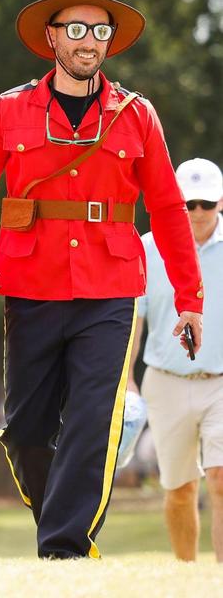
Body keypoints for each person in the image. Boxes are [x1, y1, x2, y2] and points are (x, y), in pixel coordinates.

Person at [0, 0, 203, 559]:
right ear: (52, 37)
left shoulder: (137, 114)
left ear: (109, 42)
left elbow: (168, 209)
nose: (89, 41)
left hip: (111, 292)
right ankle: (59, 519)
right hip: (30, 287)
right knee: (25, 429)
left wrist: (189, 297)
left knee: (91, 419)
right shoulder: (9, 110)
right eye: (76, 29)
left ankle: (65, 548)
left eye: (99, 30)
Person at [132, 157, 223, 561]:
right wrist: (126, 380)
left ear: (220, 202)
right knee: (180, 489)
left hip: (220, 382)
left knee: (220, 480)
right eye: (190, 204)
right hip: (165, 381)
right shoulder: (148, 249)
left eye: (207, 203)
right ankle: (187, 577)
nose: (198, 212)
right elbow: (135, 319)